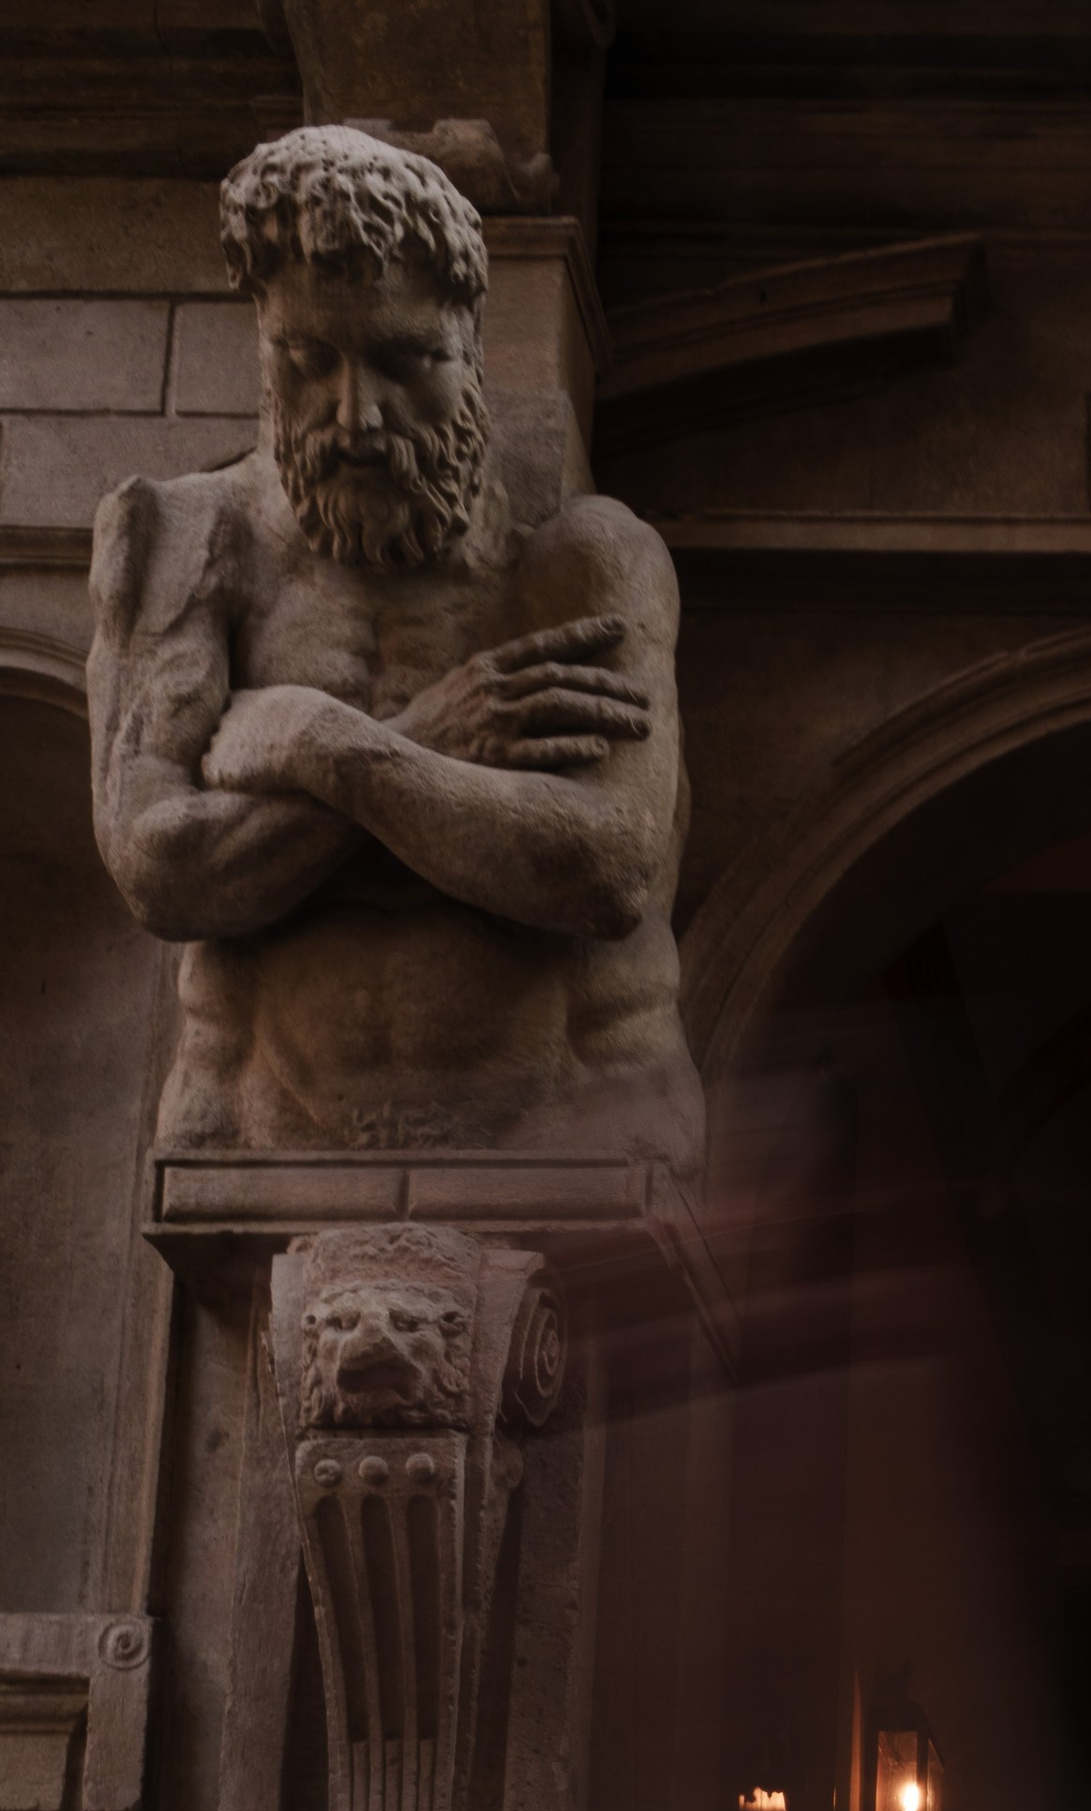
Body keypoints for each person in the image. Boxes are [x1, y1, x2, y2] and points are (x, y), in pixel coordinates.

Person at [88, 123, 702, 1168]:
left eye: (403, 360)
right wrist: (429, 743)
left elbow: (607, 867)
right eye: (306, 360)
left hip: (580, 1129)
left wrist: (316, 742)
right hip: (251, 1130)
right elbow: (159, 868)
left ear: (470, 345)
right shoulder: (191, 541)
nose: (355, 416)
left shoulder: (584, 556)